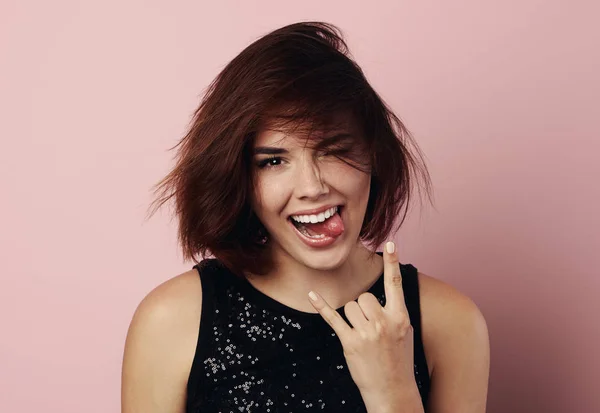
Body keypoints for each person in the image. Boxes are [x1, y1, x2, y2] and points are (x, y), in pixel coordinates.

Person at [121, 21, 490, 413]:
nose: (312, 186)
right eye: (274, 161)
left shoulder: (450, 323)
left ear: (373, 157)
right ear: (240, 177)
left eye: (333, 150)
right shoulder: (171, 321)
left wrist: (394, 393)